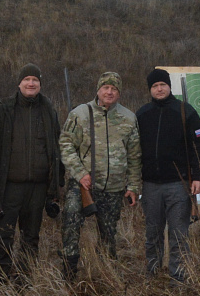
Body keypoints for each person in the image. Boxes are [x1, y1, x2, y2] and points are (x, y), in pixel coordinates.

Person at [58, 71, 141, 279]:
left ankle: (106, 277)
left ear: (119, 93)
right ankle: (69, 273)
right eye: (106, 88)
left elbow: (135, 155)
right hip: (82, 186)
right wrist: (80, 173)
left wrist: (133, 186)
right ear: (98, 90)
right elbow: (66, 145)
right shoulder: (80, 114)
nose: (109, 92)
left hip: (114, 188)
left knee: (108, 235)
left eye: (114, 89)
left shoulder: (129, 118)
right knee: (70, 226)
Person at [0, 63, 64, 279]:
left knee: (31, 236)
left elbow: (56, 148)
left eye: (35, 80)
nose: (31, 83)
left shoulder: (49, 111)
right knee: (3, 233)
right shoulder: (4, 110)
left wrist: (56, 182)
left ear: (40, 84)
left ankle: (24, 277)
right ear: (19, 83)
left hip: (38, 187)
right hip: (10, 186)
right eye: (27, 80)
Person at [135, 69, 200, 284]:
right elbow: (133, 148)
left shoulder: (185, 111)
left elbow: (199, 146)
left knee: (178, 234)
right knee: (152, 234)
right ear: (150, 89)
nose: (159, 89)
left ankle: (178, 277)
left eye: (162, 85)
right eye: (155, 86)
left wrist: (198, 177)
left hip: (179, 184)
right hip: (150, 185)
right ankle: (153, 275)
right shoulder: (142, 114)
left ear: (169, 86)